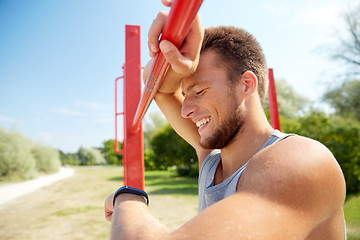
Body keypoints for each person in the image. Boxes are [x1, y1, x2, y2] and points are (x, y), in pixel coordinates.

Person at [104, 1, 347, 239]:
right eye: (186, 94)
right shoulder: (210, 158)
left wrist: (128, 198)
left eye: (199, 91)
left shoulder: (302, 160)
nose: (185, 110)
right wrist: (174, 44)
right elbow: (160, 87)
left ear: (246, 85)